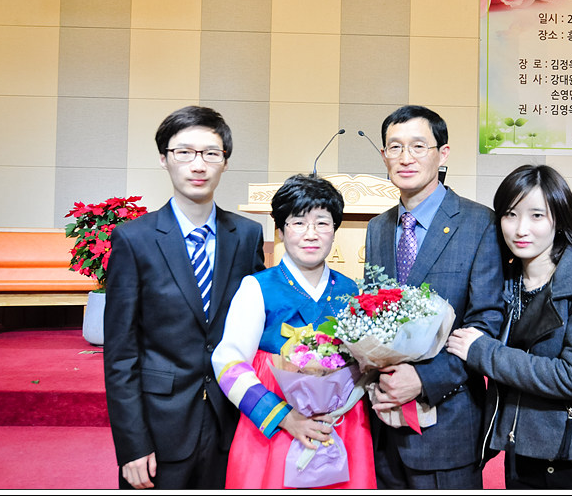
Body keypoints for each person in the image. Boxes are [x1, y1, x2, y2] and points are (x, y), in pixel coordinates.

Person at [103, 105, 265, 489]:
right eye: (184, 152)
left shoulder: (247, 235)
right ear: (164, 159)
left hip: (231, 421)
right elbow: (121, 353)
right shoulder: (134, 239)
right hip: (160, 428)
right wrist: (132, 444)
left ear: (225, 162)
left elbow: (256, 327)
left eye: (211, 153)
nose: (198, 165)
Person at [446, 164, 572, 489]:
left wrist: (483, 352)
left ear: (560, 218)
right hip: (521, 451)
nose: (520, 229)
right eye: (510, 214)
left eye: (537, 216)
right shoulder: (505, 281)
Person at [364, 104, 505, 489]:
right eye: (395, 147)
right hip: (384, 419)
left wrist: (423, 379)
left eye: (418, 146)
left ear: (442, 154)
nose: (405, 158)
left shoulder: (480, 223)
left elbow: (487, 321)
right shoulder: (378, 228)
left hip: (448, 422)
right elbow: (372, 314)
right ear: (384, 156)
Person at [211, 174, 377, 489]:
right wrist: (284, 417)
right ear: (281, 229)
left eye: (322, 223)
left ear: (335, 230)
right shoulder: (257, 287)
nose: (310, 234)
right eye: (298, 223)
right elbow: (227, 362)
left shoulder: (350, 290)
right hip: (274, 428)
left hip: (341, 425)